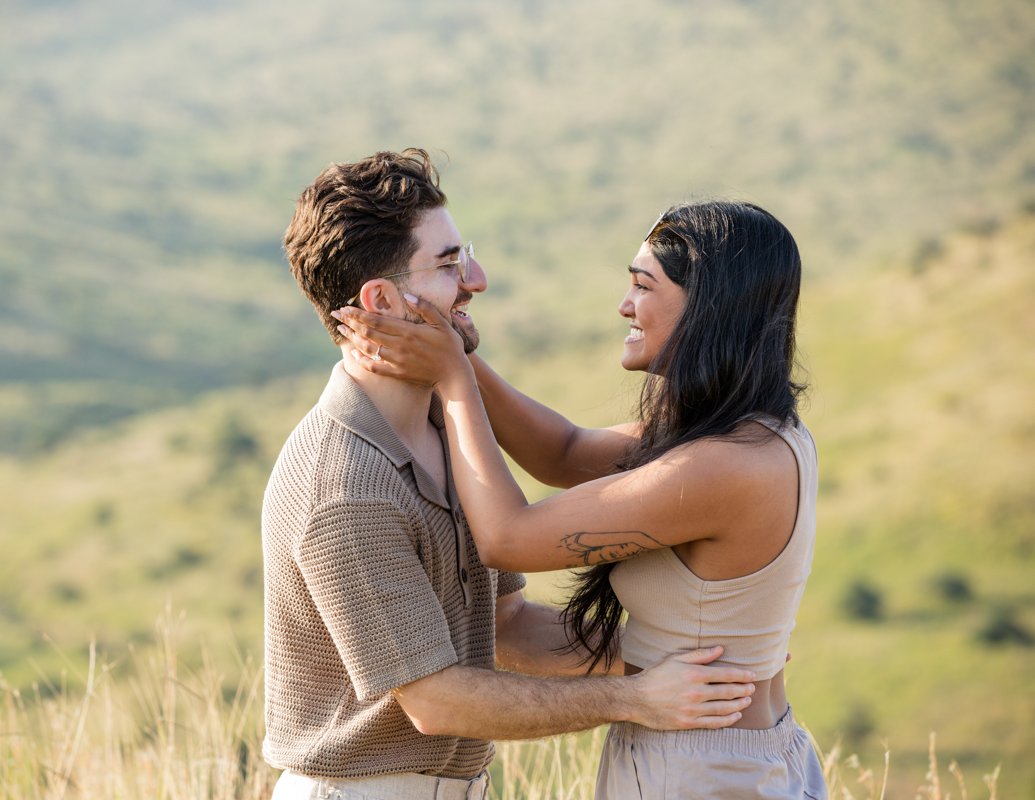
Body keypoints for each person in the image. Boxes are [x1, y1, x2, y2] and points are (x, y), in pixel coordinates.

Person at [263, 153, 760, 800]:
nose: (477, 279)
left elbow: (510, 627)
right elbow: (436, 702)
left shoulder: (448, 427)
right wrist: (636, 697)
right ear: (382, 300)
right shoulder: (344, 486)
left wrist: (683, 650)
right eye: (447, 265)